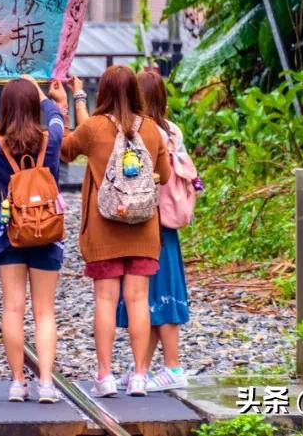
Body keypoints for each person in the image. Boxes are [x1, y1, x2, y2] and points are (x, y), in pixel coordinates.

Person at [60, 65, 171, 398]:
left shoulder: (93, 128)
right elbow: (163, 175)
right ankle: (139, 376)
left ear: (104, 92)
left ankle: (105, 376)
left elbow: (65, 149)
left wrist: (64, 107)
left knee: (105, 301)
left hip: (104, 230)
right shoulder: (151, 129)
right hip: (143, 229)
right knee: (138, 300)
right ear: (135, 92)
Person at [0, 76, 68, 403]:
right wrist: (43, 93)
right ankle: (45, 383)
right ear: (32, 106)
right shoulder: (51, 138)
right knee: (44, 311)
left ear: (4, 107)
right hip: (48, 234)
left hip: (9, 235)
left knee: (13, 309)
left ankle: (17, 382)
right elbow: (57, 114)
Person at [115, 71, 191, 391]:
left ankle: (173, 368)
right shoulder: (172, 130)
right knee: (156, 300)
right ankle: (141, 368)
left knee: (158, 299)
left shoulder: (145, 133)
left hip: (150, 224)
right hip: (167, 226)